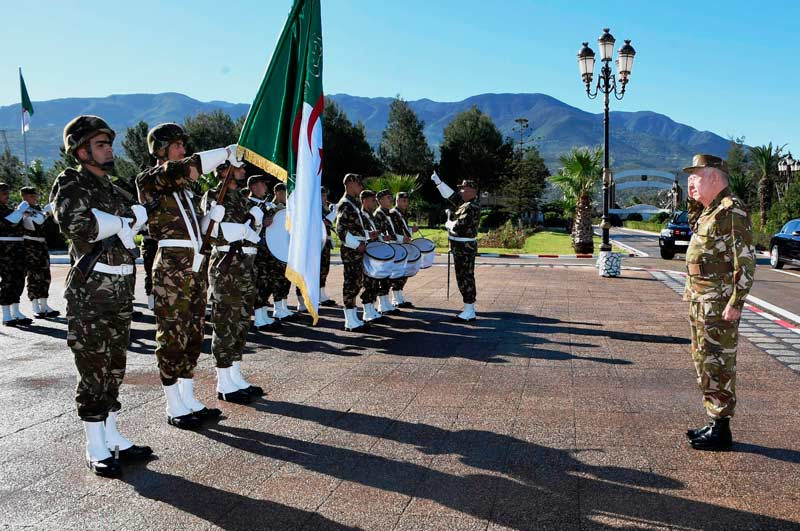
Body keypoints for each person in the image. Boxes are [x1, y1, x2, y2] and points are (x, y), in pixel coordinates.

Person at [50, 115, 152, 476]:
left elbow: (139, 220)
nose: (109, 149)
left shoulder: (114, 187)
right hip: (91, 294)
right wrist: (125, 222)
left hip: (121, 290)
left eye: (109, 143)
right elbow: (80, 225)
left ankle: (113, 436)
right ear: (80, 150)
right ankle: (94, 446)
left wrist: (130, 217)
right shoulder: (71, 183)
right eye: (100, 144)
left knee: (114, 368)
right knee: (93, 370)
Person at [137, 122, 239, 430]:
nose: (183, 150)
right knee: (171, 335)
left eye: (183, 144)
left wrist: (210, 218)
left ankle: (188, 397)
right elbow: (188, 167)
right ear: (161, 149)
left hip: (194, 267)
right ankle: (173, 404)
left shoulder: (184, 190)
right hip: (171, 267)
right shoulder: (152, 179)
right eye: (177, 145)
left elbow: (197, 230)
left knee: (193, 334)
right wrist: (224, 154)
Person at [682, 154, 755, 451]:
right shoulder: (710, 210)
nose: (691, 181)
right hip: (701, 300)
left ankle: (722, 429)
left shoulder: (731, 210)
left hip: (718, 302)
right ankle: (714, 420)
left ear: (714, 177)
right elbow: (693, 229)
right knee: (704, 362)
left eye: (696, 176)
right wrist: (691, 200)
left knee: (719, 364)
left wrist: (736, 301)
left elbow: (746, 261)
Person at [202, 163, 264, 404]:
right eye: (238, 168)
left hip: (246, 267)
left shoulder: (242, 198)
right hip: (227, 268)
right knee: (225, 321)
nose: (243, 171)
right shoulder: (215, 195)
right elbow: (215, 232)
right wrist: (246, 228)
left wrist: (257, 221)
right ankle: (223, 381)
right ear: (222, 171)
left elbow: (256, 231)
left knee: (241, 323)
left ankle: (236, 376)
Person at [432, 173, 480, 321]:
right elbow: (452, 196)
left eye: (463, 189)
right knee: (464, 277)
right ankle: (468, 309)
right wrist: (439, 183)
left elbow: (459, 227)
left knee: (465, 277)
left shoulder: (471, 207)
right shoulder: (466, 204)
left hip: (464, 249)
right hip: (461, 248)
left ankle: (469, 310)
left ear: (472, 190)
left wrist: (449, 224)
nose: (460, 191)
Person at [20, 187, 59, 318]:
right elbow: (39, 220)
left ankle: (44, 304)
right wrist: (47, 212)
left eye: (35, 195)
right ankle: (35, 306)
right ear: (24, 196)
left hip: (41, 244)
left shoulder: (37, 209)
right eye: (31, 196)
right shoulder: (23, 209)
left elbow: (51, 223)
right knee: (34, 275)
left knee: (45, 274)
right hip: (30, 245)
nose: (34, 198)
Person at [246, 174, 279, 330]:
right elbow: (245, 226)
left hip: (269, 251)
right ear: (253, 187)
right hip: (256, 251)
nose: (265, 187)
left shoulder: (265, 204)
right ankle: (259, 319)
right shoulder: (248, 204)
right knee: (259, 283)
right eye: (262, 184)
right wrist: (263, 223)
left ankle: (264, 315)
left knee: (268, 283)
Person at [335, 173, 367, 330]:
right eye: (358, 183)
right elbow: (340, 229)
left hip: (356, 250)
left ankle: (354, 317)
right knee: (350, 283)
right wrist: (356, 245)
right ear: (349, 183)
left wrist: (367, 237)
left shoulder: (352, 204)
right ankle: (349, 320)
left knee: (356, 283)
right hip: (351, 251)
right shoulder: (345, 204)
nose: (361, 187)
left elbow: (356, 229)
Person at [0, 183, 32, 326]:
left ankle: (16, 311)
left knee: (18, 279)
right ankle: (6, 315)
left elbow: (25, 226)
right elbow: (9, 223)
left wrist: (25, 215)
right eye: (4, 193)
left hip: (18, 246)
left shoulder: (8, 209)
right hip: (5, 248)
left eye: (7, 193)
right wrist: (19, 211)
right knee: (7, 280)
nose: (7, 196)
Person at [265, 182, 295, 320]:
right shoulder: (270, 208)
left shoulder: (289, 209)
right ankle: (277, 309)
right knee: (277, 280)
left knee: (286, 280)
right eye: (284, 193)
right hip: (274, 251)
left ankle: (283, 306)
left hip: (286, 249)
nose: (286, 196)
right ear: (277, 193)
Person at [389, 191, 417, 307]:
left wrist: (411, 231)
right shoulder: (393, 213)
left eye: (407, 201)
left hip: (403, 245)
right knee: (398, 273)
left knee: (403, 273)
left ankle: (399, 297)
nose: (406, 203)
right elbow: (392, 232)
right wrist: (402, 239)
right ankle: (396, 299)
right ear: (397, 201)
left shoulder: (402, 213)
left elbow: (402, 230)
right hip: (397, 245)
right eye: (404, 201)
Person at [358, 189, 384, 322]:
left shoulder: (371, 216)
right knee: (367, 282)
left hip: (374, 252)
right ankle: (367, 312)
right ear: (364, 201)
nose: (375, 202)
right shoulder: (361, 216)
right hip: (367, 252)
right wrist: (370, 234)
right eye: (372, 200)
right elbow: (360, 232)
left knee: (374, 282)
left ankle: (371, 309)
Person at [320, 186, 337, 306]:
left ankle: (322, 293)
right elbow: (325, 222)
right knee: (319, 269)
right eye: (322, 195)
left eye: (325, 195)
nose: (324, 197)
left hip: (325, 241)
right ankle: (317, 295)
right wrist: (334, 213)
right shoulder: (315, 208)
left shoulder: (325, 207)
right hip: (317, 243)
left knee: (325, 269)